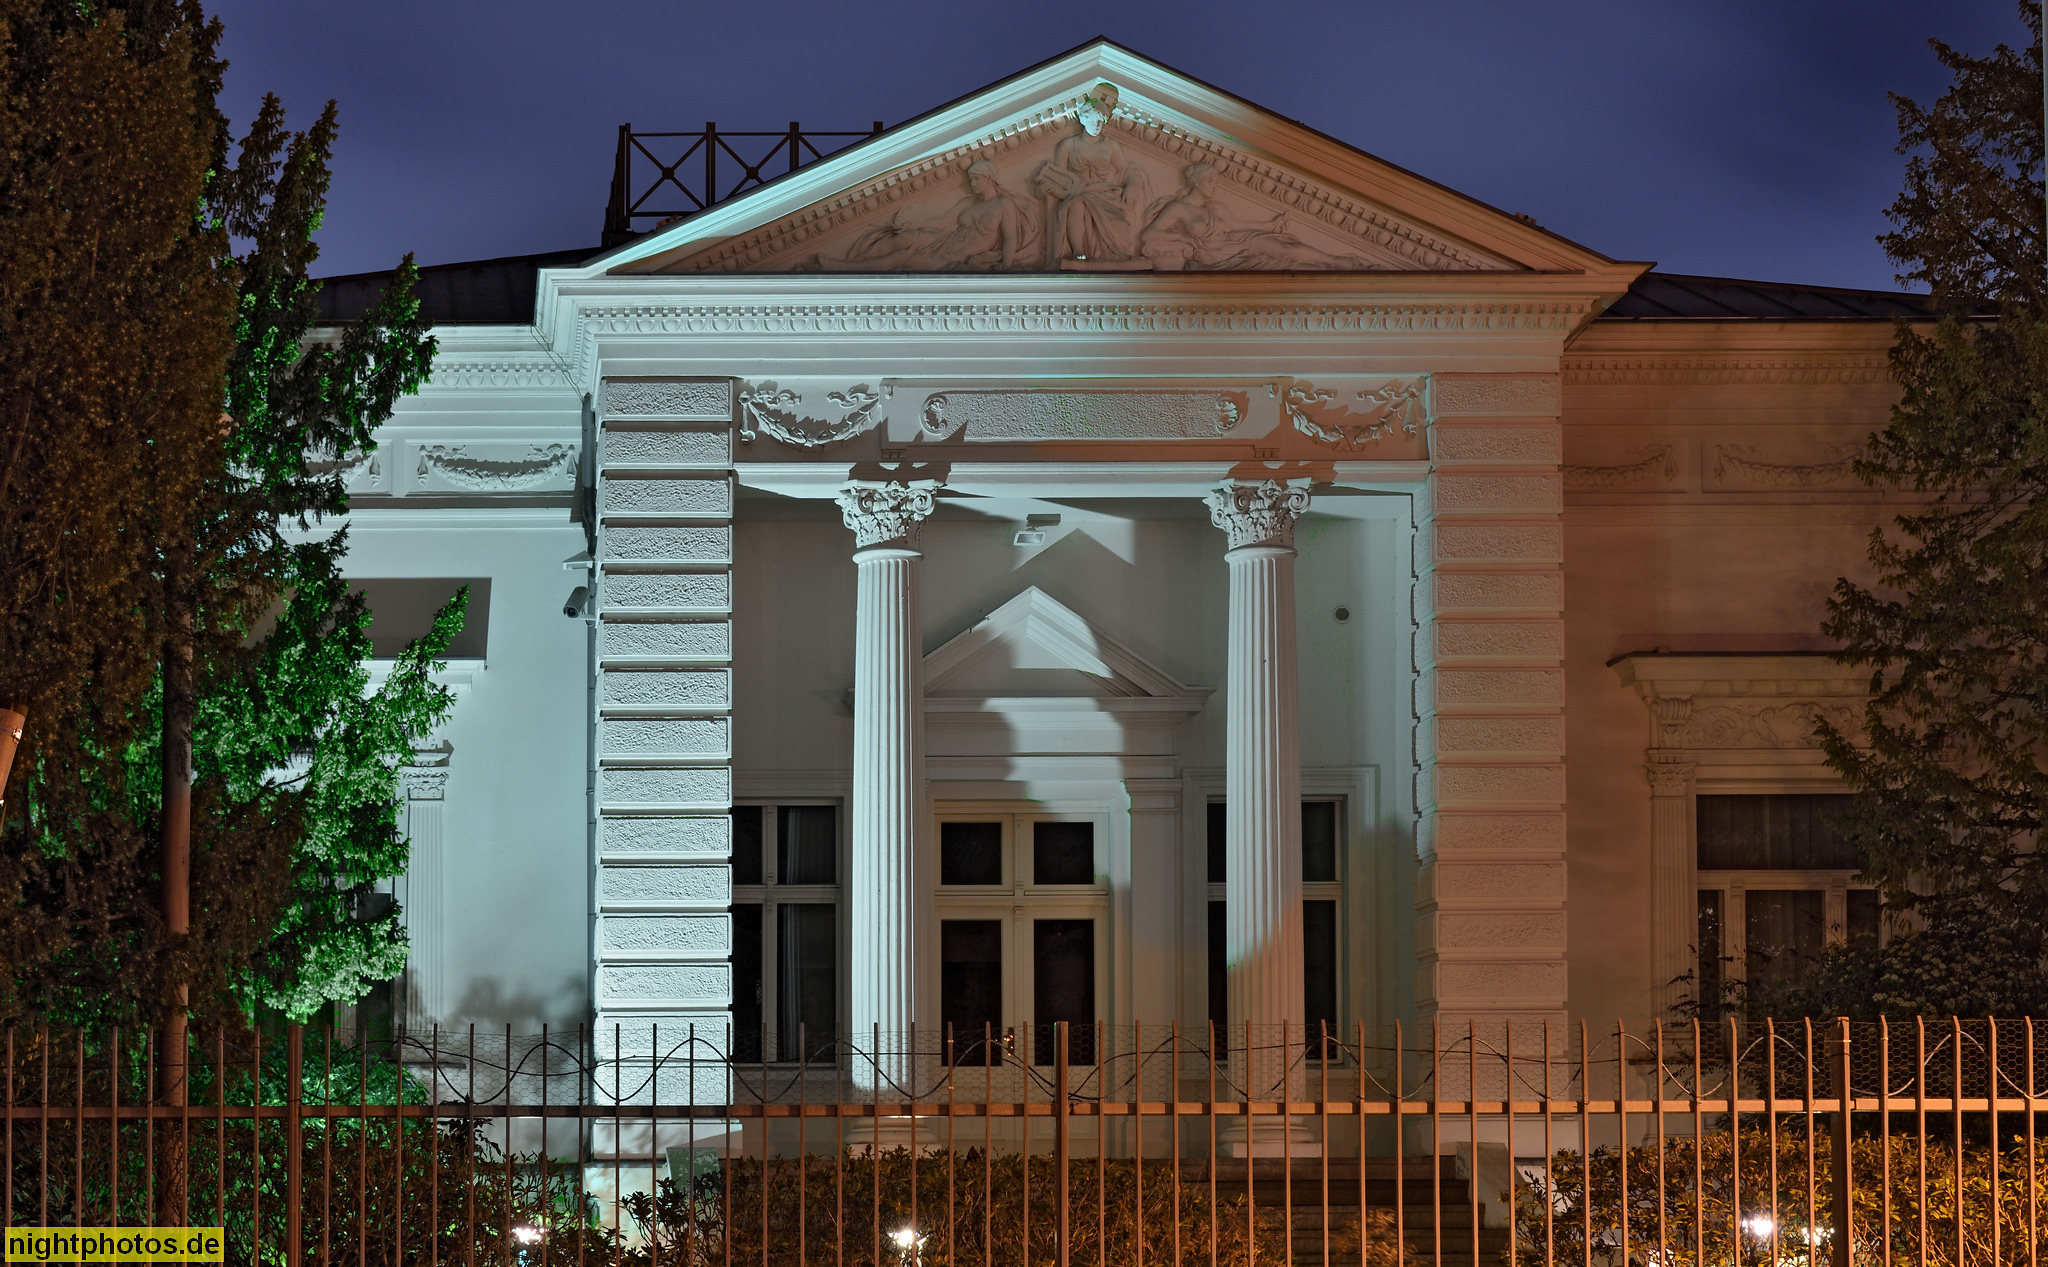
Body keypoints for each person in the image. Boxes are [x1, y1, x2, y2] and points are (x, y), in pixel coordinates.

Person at [1140, 161, 1375, 271]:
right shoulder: (1179, 208)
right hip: (1217, 257)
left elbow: (1238, 224)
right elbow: (1150, 233)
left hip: (1239, 241)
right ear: (1197, 182)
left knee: (1285, 250)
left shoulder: (1215, 207)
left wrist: (1271, 225)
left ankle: (1334, 261)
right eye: (1211, 181)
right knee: (1288, 265)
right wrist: (1181, 238)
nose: (1214, 185)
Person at [817, 160, 1038, 271]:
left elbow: (1010, 236)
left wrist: (1006, 264)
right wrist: (914, 224)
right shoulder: (967, 202)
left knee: (901, 257)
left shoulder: (1003, 204)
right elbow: (942, 222)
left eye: (976, 179)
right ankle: (857, 261)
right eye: (970, 179)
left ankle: (843, 268)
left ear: (989, 178)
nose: (972, 183)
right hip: (946, 241)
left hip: (957, 254)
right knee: (903, 238)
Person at [1034, 82, 1150, 266]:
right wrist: (1048, 188)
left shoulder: (1110, 146)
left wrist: (1132, 184)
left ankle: (1119, 254)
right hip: (1078, 194)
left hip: (1106, 195)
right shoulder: (1069, 145)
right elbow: (1059, 176)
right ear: (1082, 118)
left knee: (1120, 220)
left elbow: (1127, 170)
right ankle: (1078, 252)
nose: (1097, 125)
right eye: (1094, 119)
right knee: (1076, 204)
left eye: (1101, 121)